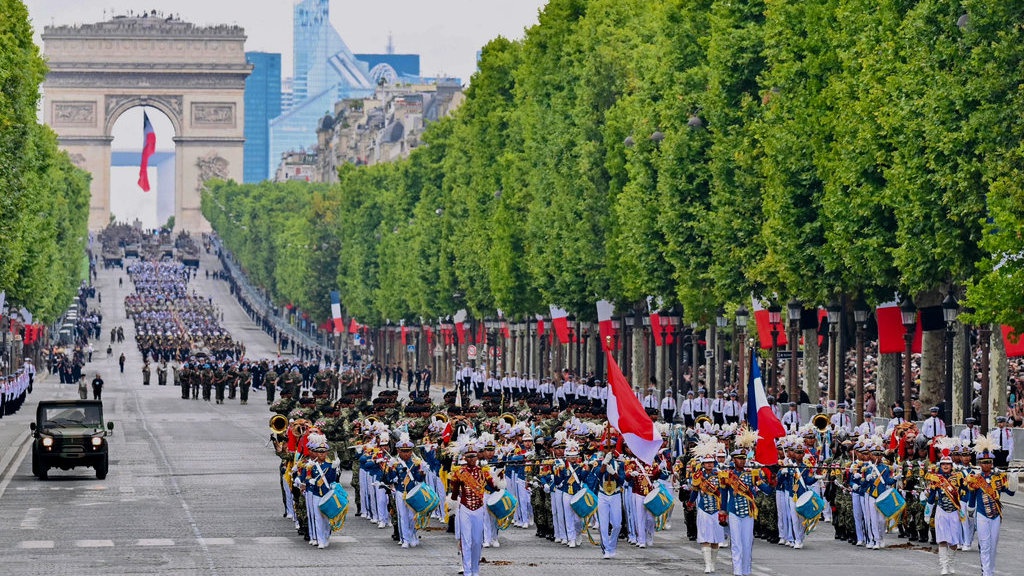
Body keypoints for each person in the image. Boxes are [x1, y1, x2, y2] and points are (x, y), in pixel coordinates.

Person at [966, 437, 1016, 576]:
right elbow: (972, 497)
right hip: (982, 515)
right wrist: (970, 510)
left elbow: (1010, 493)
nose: (987, 465)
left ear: (992, 463)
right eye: (984, 462)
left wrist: (1013, 478)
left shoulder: (998, 477)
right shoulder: (975, 478)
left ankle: (991, 571)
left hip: (996, 515)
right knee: (985, 544)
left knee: (993, 546)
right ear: (980, 464)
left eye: (989, 462)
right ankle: (986, 572)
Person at [721, 447, 773, 576]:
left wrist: (773, 478)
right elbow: (723, 494)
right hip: (733, 511)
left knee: (747, 542)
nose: (742, 461)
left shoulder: (752, 474)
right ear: (733, 460)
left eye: (744, 459)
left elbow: (767, 490)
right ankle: (737, 571)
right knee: (736, 543)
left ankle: (746, 570)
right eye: (739, 459)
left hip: (748, 512)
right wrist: (722, 511)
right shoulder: (727, 475)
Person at [449, 439, 496, 576]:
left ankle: (475, 570)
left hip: (479, 508)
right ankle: (467, 570)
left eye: (474, 456)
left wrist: (498, 475)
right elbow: (454, 494)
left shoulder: (483, 472)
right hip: (465, 508)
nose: (471, 459)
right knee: (466, 540)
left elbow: (494, 487)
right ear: (465, 457)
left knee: (477, 541)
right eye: (469, 456)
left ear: (477, 457)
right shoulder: (460, 472)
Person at [927, 448, 965, 575]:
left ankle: (951, 563)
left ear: (951, 465)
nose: (945, 466)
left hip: (954, 511)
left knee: (954, 541)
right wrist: (928, 512)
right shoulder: (936, 478)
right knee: (942, 539)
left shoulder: (958, 477)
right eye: (943, 464)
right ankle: (943, 565)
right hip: (941, 511)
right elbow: (932, 496)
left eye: (948, 464)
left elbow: (965, 492)